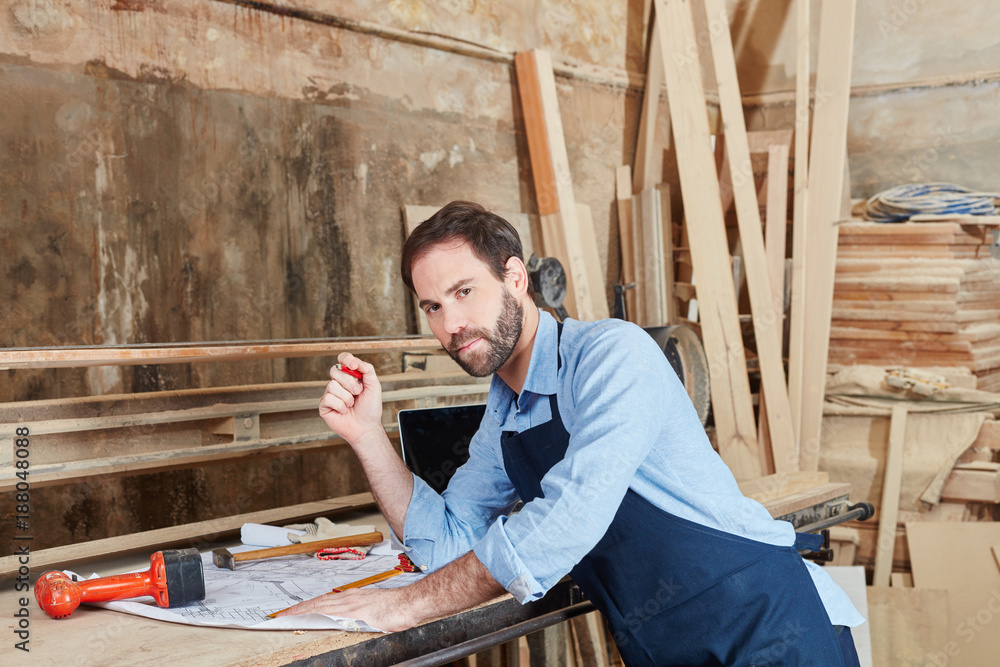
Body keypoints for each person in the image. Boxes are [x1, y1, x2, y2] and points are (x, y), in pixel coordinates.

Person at [280, 201, 864, 666]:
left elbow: (568, 518)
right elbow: (445, 544)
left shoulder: (613, 355)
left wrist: (400, 607)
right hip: (661, 644)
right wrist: (365, 436)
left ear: (514, 278)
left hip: (765, 630)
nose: (451, 325)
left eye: (464, 292)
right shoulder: (504, 415)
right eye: (432, 306)